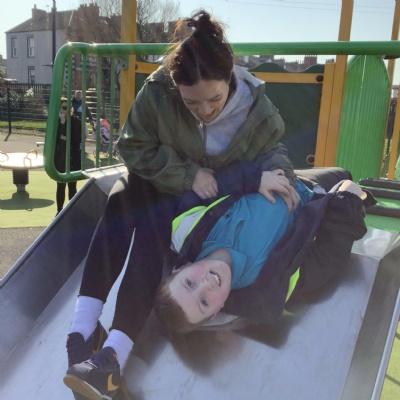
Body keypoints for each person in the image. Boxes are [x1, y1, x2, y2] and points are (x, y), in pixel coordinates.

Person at [63, 10, 300, 400]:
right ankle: (81, 331)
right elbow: (134, 147)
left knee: (153, 225)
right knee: (122, 196)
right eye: (192, 103)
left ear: (230, 77)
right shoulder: (160, 90)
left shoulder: (256, 110)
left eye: (215, 99)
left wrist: (275, 179)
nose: (205, 110)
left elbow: (274, 154)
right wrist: (189, 174)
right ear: (176, 87)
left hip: (206, 203)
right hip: (171, 183)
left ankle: (114, 352)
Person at [154, 175, 371, 334]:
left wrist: (255, 177)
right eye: (204, 302)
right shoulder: (268, 289)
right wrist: (346, 201)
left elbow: (217, 175)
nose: (206, 285)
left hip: (283, 170)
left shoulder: (188, 227)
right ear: (216, 312)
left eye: (190, 283)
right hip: (317, 194)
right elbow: (326, 258)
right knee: (346, 176)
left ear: (181, 268)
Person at [54, 97, 82, 216]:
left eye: (69, 107)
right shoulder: (57, 122)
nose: (67, 110)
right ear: (60, 109)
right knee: (60, 184)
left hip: (73, 155)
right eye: (64, 108)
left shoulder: (75, 120)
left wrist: (63, 137)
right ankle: (59, 210)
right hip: (61, 155)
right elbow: (55, 138)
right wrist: (62, 123)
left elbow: (76, 138)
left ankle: (72, 210)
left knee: (72, 184)